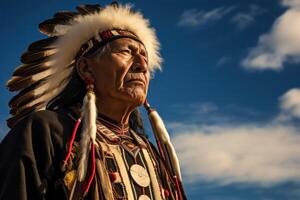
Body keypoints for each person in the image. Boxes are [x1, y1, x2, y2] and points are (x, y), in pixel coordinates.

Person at [0, 2, 186, 200]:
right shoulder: (45, 131)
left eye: (145, 58)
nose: (141, 65)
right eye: (126, 52)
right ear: (86, 68)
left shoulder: (153, 155)